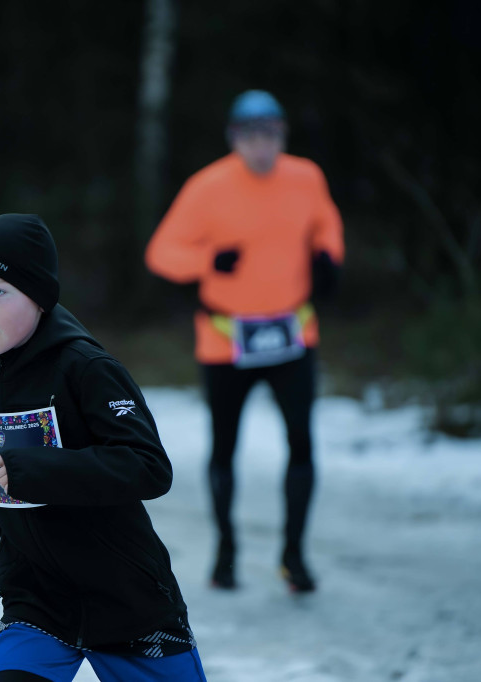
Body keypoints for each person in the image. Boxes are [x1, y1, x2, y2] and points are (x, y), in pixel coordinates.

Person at [0, 213, 207, 682]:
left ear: (40, 298)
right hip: (37, 602)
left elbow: (148, 467)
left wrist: (35, 468)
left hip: (126, 602)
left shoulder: (85, 368)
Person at [144, 90, 345, 593]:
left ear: (283, 136)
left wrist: (327, 254)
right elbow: (161, 252)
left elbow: (327, 224)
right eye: (251, 137)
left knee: (301, 443)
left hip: (292, 335)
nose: (262, 147)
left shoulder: (306, 177)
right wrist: (208, 262)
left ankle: (294, 557)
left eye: (271, 136)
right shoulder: (207, 186)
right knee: (224, 448)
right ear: (235, 138)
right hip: (226, 340)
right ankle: (225, 553)